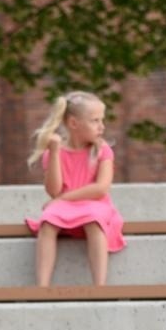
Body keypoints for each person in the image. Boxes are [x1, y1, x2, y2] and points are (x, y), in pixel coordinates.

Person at [24, 91, 126, 287]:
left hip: (94, 204)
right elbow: (54, 191)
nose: (102, 126)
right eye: (95, 121)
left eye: (102, 120)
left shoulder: (103, 150)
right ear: (73, 123)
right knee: (48, 221)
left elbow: (100, 188)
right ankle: (42, 287)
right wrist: (54, 152)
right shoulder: (54, 153)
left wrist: (62, 199)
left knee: (93, 220)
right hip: (65, 207)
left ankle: (99, 286)